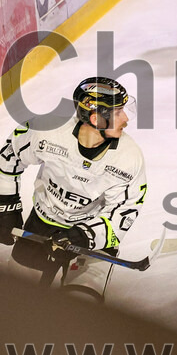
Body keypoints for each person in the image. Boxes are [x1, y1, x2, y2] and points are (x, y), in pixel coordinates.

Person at [0, 78, 147, 300]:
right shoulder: (47, 131)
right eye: (118, 112)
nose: (126, 119)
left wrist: (85, 236)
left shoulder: (128, 158)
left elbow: (125, 210)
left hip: (91, 239)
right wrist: (5, 207)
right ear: (96, 117)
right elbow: (9, 157)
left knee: (82, 304)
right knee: (19, 299)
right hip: (42, 223)